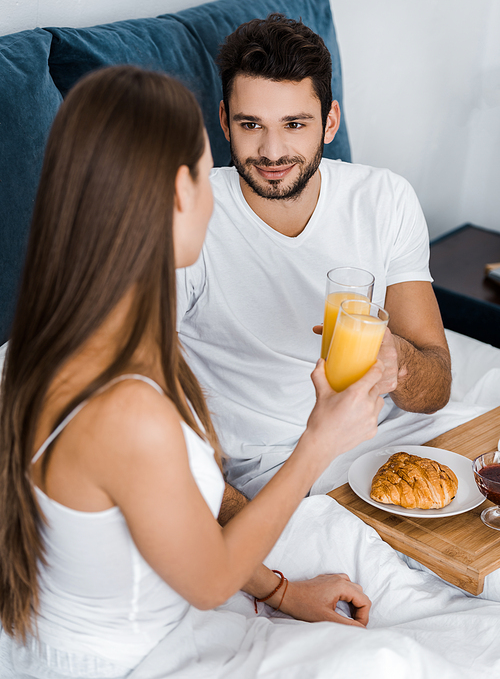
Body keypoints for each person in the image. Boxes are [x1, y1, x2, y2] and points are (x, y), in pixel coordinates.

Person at [2, 64, 500, 679]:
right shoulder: (125, 406)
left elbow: (179, 530)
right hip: (138, 657)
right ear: (181, 193)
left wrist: (284, 593)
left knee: (396, 653)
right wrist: (321, 441)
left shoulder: (75, 339)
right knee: (395, 662)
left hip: (165, 613)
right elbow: (211, 579)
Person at [176, 13, 494, 500]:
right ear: (224, 121)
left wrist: (397, 362)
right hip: (284, 465)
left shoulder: (384, 198)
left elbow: (437, 386)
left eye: (295, 124)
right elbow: (139, 409)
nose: (272, 150)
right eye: (250, 124)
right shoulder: (187, 218)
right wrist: (244, 545)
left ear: (330, 122)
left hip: (394, 437)